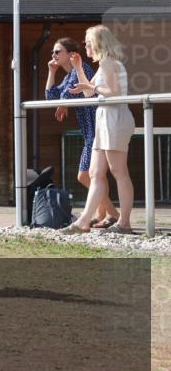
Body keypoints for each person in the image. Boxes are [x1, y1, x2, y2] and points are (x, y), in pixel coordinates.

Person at [60, 25, 136, 235]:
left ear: (98, 43)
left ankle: (124, 223)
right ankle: (84, 221)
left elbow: (111, 92)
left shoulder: (110, 63)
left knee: (119, 171)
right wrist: (78, 68)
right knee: (95, 172)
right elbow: (88, 94)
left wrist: (91, 87)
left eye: (88, 42)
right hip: (104, 119)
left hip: (115, 118)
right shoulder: (103, 65)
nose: (85, 46)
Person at [45, 37, 118, 227]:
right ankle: (103, 214)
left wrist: (64, 103)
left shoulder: (82, 69)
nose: (53, 55)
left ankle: (112, 213)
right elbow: (51, 96)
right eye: (53, 52)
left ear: (70, 55)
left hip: (97, 128)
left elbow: (70, 94)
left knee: (85, 175)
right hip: (88, 131)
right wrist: (51, 72)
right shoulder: (67, 76)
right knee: (97, 176)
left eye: (57, 52)